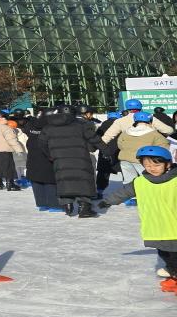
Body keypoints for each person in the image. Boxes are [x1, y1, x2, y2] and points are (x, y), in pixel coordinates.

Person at [99, 145, 177, 293]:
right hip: (155, 229)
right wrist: (108, 201)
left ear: (168, 164)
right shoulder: (140, 182)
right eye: (147, 164)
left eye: (156, 164)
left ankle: (174, 272)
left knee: (174, 256)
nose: (151, 168)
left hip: (174, 227)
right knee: (164, 254)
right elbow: (123, 192)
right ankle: (174, 275)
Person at [40, 104, 100, 218]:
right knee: (84, 180)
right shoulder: (82, 125)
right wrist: (105, 150)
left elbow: (42, 143)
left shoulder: (49, 127)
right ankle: (84, 208)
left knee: (64, 180)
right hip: (81, 158)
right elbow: (94, 139)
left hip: (60, 159)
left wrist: (50, 155)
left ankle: (67, 205)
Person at [117, 112, 169, 199]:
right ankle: (148, 196)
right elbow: (164, 145)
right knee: (147, 178)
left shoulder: (126, 132)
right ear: (149, 121)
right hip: (143, 160)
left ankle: (131, 198)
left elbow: (120, 144)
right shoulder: (153, 133)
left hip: (125, 159)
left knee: (129, 179)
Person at [0, 113, 25, 191]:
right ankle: (10, 184)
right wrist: (19, 150)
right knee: (8, 167)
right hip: (4, 150)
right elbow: (12, 140)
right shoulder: (5, 128)